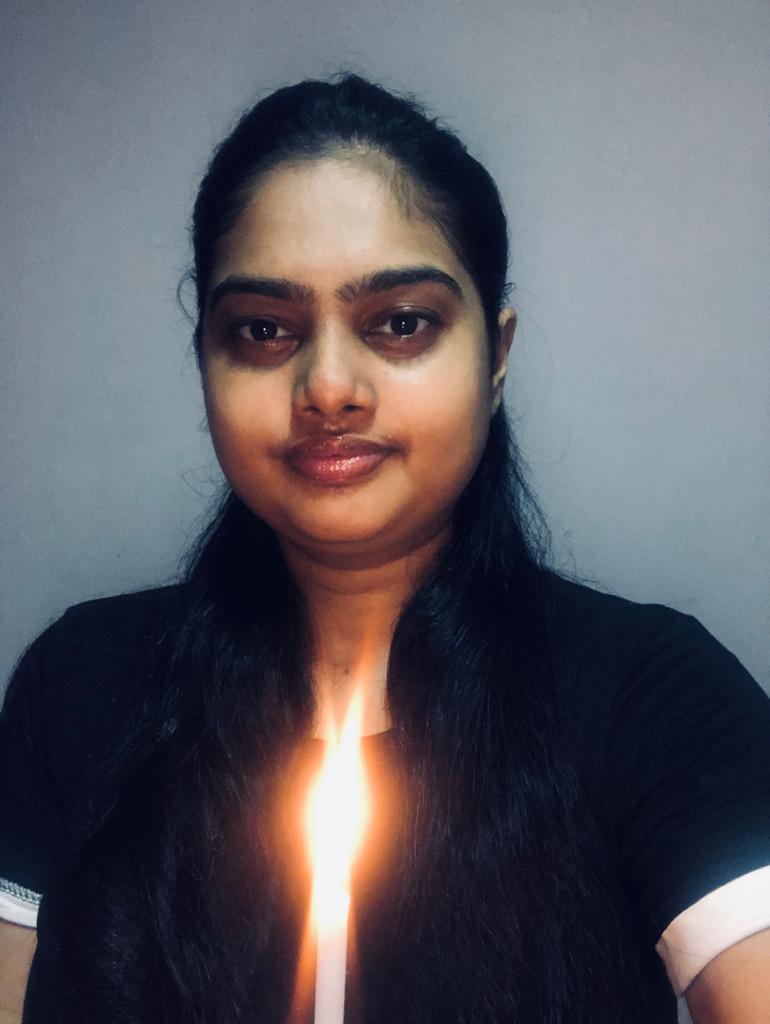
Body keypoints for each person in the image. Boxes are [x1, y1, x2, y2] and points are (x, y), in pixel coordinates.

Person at [0, 73, 768, 1024]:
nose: (328, 386)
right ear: (205, 359)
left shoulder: (654, 697)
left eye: (401, 323)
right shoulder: (79, 688)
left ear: (495, 356)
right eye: (264, 330)